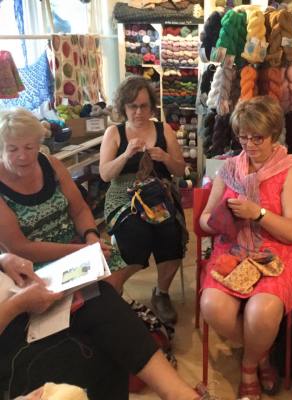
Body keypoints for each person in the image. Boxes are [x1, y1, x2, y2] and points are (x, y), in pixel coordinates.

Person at [199, 96, 292, 400]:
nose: (249, 144)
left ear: (274, 133)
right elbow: (204, 220)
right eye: (243, 136)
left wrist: (258, 214)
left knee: (262, 310)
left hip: (279, 251)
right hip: (233, 249)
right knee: (212, 306)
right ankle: (261, 353)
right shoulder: (228, 169)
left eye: (257, 137)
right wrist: (221, 219)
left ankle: (249, 366)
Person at [0, 252, 214, 400]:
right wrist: (17, 305)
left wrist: (4, 260)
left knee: (99, 294)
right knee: (99, 351)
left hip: (19, 306)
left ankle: (179, 393)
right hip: (10, 335)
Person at [0, 108, 127, 291]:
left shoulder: (50, 164)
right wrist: (82, 251)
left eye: (29, 147)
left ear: (38, 144)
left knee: (113, 272)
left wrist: (91, 237)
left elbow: (79, 210)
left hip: (76, 245)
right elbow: (20, 248)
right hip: (34, 264)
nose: (23, 155)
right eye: (12, 149)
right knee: (91, 295)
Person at [99, 76, 186, 324]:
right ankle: (114, 287)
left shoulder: (164, 130)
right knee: (135, 231)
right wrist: (126, 155)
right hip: (123, 195)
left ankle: (162, 293)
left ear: (151, 106)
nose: (138, 112)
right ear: (123, 107)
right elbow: (105, 174)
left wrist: (165, 158)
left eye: (144, 106)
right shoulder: (114, 133)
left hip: (159, 192)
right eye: (132, 106)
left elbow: (180, 170)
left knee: (171, 230)